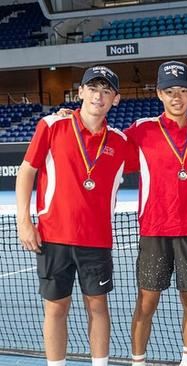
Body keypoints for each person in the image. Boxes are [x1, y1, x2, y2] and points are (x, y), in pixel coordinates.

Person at [15, 66, 127, 366]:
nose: (98, 96)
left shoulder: (121, 142)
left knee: (98, 306)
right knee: (55, 309)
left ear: (115, 100)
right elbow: (26, 171)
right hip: (53, 237)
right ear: (80, 92)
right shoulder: (51, 125)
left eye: (106, 91)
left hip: (96, 240)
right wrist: (23, 221)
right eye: (92, 89)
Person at [124, 61, 187, 366]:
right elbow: (103, 141)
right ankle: (138, 361)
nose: (177, 97)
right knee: (147, 301)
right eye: (170, 91)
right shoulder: (141, 130)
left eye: (183, 91)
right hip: (155, 229)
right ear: (159, 93)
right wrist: (70, 117)